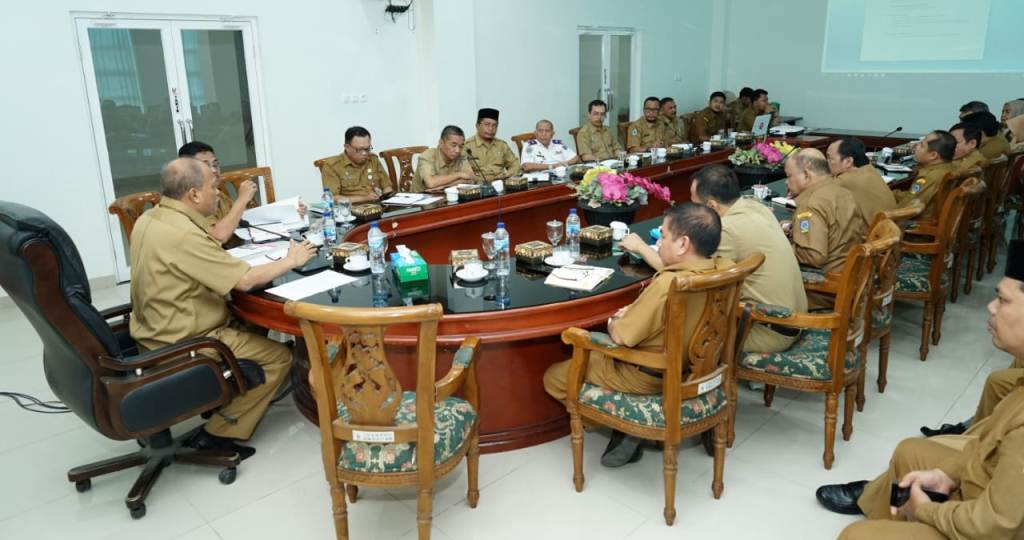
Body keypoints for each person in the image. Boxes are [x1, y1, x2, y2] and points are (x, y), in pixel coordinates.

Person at [815, 239, 1024, 540]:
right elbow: (985, 449)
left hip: (990, 526)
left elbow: (996, 526)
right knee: (911, 452)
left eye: (1003, 300)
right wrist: (946, 475)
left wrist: (927, 511)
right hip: (985, 494)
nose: (991, 307)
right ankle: (888, 518)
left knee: (856, 536)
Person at [129, 158, 317, 458]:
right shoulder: (182, 234)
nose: (218, 192)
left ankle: (226, 395)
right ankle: (218, 433)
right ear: (193, 194)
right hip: (186, 340)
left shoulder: (152, 217)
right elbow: (243, 281)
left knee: (254, 322)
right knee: (281, 358)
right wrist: (292, 260)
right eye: (213, 187)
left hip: (154, 328)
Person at [543, 202, 734, 466]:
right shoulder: (725, 268)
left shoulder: (668, 284)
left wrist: (614, 320)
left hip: (648, 375)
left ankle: (627, 426)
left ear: (683, 244)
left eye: (663, 236)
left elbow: (622, 337)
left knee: (554, 377)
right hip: (695, 367)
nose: (660, 243)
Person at [179, 142, 304, 246]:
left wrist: (288, 215)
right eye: (205, 166)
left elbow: (240, 219)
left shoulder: (217, 193)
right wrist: (242, 199)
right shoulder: (192, 199)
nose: (214, 170)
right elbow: (218, 236)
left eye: (215, 165)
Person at [786, 148, 867, 276]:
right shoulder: (844, 193)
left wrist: (781, 245)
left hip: (827, 281)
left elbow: (813, 256)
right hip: (851, 273)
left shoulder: (810, 204)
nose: (786, 182)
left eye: (788, 176)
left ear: (806, 175)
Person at [827, 137, 897, 225]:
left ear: (848, 161)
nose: (827, 162)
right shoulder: (870, 169)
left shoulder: (845, 180)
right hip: (891, 229)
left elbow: (817, 194)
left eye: (830, 158)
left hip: (874, 232)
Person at [893, 130, 957, 221]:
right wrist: (890, 193)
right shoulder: (951, 168)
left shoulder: (928, 178)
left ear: (933, 155)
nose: (916, 146)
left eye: (922, 145)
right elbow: (911, 195)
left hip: (918, 224)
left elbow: (904, 209)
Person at [318, 126, 393, 203]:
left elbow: (387, 187)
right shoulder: (332, 165)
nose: (364, 153)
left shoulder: (373, 159)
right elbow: (333, 198)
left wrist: (387, 200)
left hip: (378, 206)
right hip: (352, 208)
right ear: (347, 147)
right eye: (359, 149)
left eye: (367, 149)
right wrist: (365, 198)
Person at [411, 125, 474, 192]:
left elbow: (470, 178)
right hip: (421, 196)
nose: (457, 150)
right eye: (453, 145)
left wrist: (444, 186)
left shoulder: (461, 154)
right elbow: (430, 183)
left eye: (461, 146)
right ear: (441, 143)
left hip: (445, 195)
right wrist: (459, 174)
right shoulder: (428, 155)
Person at [463, 108, 520, 180]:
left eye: (494, 125)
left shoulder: (502, 145)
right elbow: (465, 173)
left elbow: (515, 164)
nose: (491, 128)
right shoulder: (467, 146)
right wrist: (481, 179)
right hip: (478, 184)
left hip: (500, 182)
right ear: (477, 126)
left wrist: (504, 176)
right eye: (487, 124)